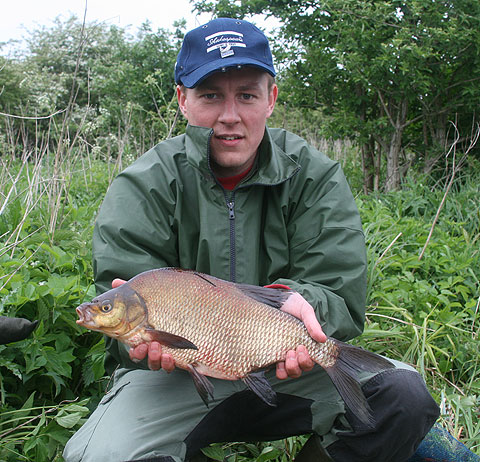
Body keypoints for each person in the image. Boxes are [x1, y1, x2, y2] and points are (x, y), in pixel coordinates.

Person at [64, 17, 440, 462]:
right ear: (183, 100)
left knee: (402, 397)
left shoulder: (314, 175)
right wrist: (142, 347)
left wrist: (298, 308)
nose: (229, 116)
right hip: (174, 378)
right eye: (210, 96)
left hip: (283, 367)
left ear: (271, 98)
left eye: (246, 95)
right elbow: (120, 297)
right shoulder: (144, 183)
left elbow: (337, 290)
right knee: (103, 455)